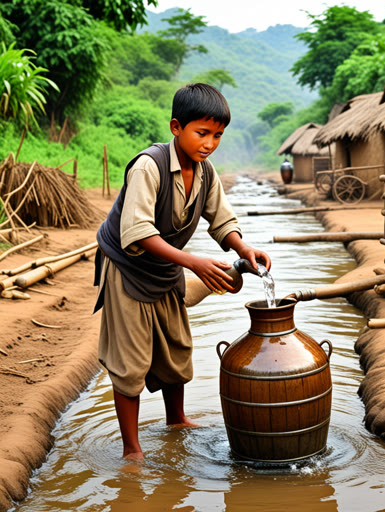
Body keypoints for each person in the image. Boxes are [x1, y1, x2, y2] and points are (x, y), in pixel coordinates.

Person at [93, 83, 271, 461]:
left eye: (218, 136)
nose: (209, 143)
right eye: (202, 133)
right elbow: (137, 231)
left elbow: (223, 220)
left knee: (176, 346)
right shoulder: (149, 166)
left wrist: (244, 248)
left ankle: (177, 419)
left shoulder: (206, 173)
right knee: (131, 361)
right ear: (177, 127)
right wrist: (195, 262)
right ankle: (132, 449)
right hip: (127, 266)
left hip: (166, 266)